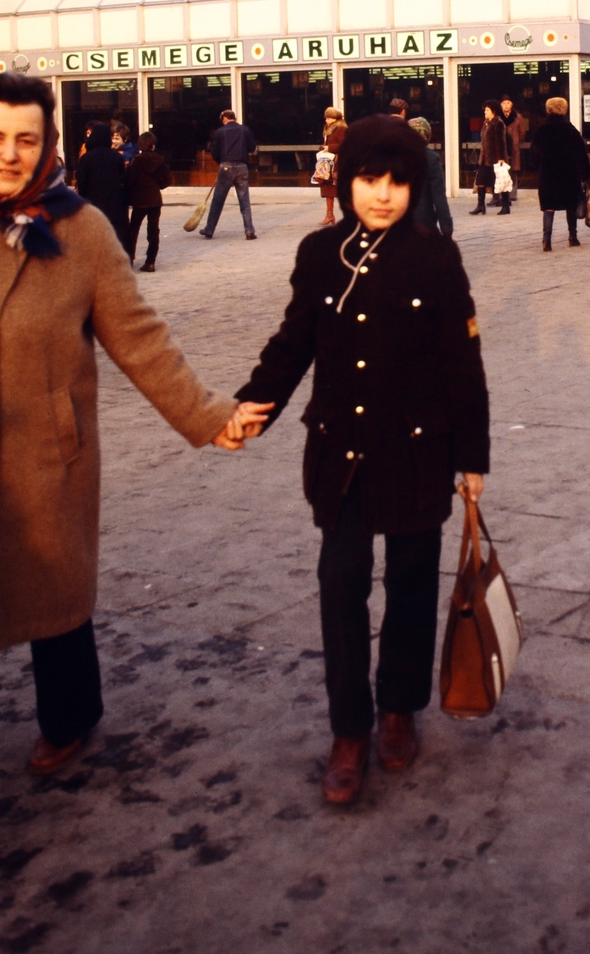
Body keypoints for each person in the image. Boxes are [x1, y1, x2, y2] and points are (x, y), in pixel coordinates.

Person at [0, 73, 266, 855]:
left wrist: (209, 419)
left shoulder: (85, 231)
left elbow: (139, 338)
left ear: (49, 146)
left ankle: (70, 719)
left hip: (42, 455)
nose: (9, 154)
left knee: (54, 601)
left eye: (26, 139)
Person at [232, 116, 489, 805]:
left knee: (409, 590)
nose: (381, 195)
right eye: (369, 180)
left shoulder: (436, 259)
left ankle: (397, 710)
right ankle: (348, 731)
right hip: (339, 457)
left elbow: (462, 365)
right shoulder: (320, 254)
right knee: (340, 588)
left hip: (414, 454)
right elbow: (293, 342)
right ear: (347, 182)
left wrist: (472, 457)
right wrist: (251, 405)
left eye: (397, 182)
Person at [534, 96, 590, 250]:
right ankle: (573, 237)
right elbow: (581, 155)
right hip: (569, 174)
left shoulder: (542, 130)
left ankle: (546, 240)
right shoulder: (571, 131)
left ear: (548, 110)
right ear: (565, 110)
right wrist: (585, 175)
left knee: (549, 207)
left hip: (548, 174)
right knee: (570, 205)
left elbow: (534, 153)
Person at [200, 108, 258, 240]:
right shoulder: (245, 130)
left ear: (225, 118)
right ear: (234, 118)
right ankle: (249, 230)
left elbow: (214, 151)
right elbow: (252, 147)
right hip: (242, 167)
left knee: (218, 200)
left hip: (226, 166)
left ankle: (209, 229)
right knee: (244, 200)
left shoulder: (220, 132)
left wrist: (221, 162)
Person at [75, 122, 129, 247]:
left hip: (93, 204)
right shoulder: (117, 157)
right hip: (114, 204)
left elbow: (82, 183)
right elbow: (123, 178)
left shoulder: (86, 158)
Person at [125, 130, 170, 270]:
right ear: (153, 145)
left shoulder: (135, 161)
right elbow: (167, 180)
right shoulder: (160, 160)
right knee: (153, 230)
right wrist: (159, 185)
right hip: (155, 199)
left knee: (133, 230)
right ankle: (150, 261)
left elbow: (129, 180)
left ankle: (129, 258)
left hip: (139, 198)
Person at [407, 116, 453, 236]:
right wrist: (446, 227)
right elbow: (439, 197)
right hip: (424, 223)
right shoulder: (431, 158)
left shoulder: (396, 158)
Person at [472, 101, 506, 216]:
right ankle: (480, 205)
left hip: (495, 158)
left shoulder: (498, 123)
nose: (484, 112)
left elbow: (501, 141)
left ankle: (506, 206)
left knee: (500, 181)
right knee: (480, 181)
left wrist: (501, 157)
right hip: (484, 158)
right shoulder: (486, 123)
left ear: (493, 111)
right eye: (484, 110)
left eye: (487, 110)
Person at [317, 107, 347, 226]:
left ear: (335, 118)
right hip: (328, 164)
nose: (326, 120)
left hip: (338, 164)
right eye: (326, 117)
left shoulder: (341, 129)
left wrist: (329, 148)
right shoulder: (329, 129)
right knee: (328, 189)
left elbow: (344, 145)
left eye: (329, 118)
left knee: (342, 191)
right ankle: (330, 215)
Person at [496, 95, 525, 214]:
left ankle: (513, 194)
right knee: (502, 172)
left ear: (511, 105)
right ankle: (502, 195)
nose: (506, 105)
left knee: (513, 171)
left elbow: (522, 132)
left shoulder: (518, 117)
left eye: (508, 103)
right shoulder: (498, 118)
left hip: (513, 148)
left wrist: (516, 141)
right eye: (503, 103)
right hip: (502, 148)